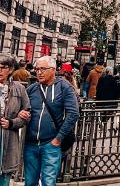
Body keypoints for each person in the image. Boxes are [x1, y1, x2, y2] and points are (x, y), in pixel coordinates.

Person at [24, 56, 79, 186]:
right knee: (30, 182)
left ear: (53, 70)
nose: (39, 72)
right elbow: (22, 107)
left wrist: (58, 139)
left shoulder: (64, 87)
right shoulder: (32, 88)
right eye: (37, 69)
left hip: (51, 143)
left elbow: (73, 113)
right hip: (30, 144)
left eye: (43, 69)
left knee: (48, 182)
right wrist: (22, 112)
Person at [0, 55, 31, 186]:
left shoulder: (19, 88)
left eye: (3, 68)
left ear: (11, 70)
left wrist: (12, 123)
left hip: (8, 140)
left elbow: (27, 114)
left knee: (4, 178)